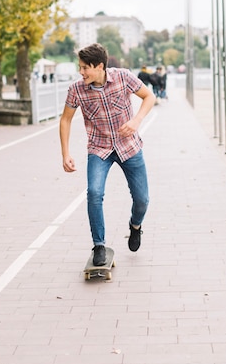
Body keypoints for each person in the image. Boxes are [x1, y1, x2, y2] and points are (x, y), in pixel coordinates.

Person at [60, 43, 156, 266]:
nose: (81, 72)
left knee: (142, 200)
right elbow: (65, 119)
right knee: (94, 193)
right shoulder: (77, 89)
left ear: (99, 66)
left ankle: (135, 226)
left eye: (85, 68)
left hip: (129, 146)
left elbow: (148, 97)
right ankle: (99, 245)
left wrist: (136, 120)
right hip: (99, 148)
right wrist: (65, 154)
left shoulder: (123, 77)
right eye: (80, 67)